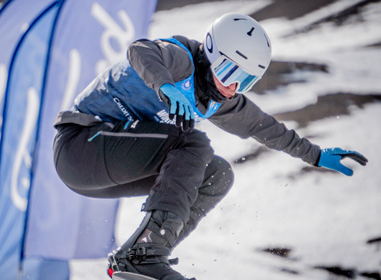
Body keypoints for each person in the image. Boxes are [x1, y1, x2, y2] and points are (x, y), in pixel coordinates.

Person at [52, 13, 368, 280]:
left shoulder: (221, 102)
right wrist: (163, 85)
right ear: (212, 54)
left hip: (103, 173)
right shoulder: (180, 61)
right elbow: (141, 50)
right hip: (80, 146)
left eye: (245, 82)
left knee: (217, 174)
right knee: (193, 143)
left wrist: (315, 155)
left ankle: (146, 253)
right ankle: (142, 256)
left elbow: (267, 128)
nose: (232, 87)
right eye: (230, 72)